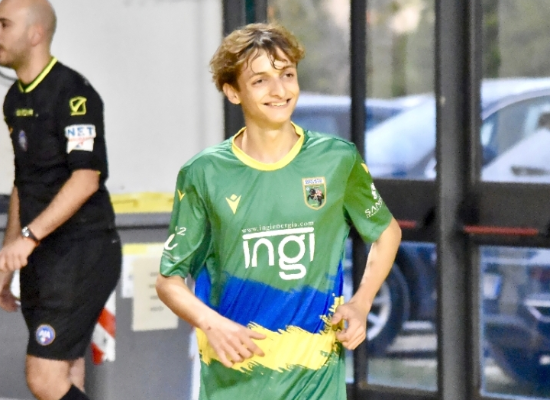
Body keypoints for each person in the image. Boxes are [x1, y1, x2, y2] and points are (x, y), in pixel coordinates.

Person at [156, 23, 402, 400]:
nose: (279, 90)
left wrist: (362, 302)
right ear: (232, 91)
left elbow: (386, 232)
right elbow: (168, 280)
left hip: (315, 384)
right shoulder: (203, 173)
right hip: (233, 385)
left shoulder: (337, 159)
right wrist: (211, 323)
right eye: (260, 80)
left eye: (287, 74)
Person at [0, 1, 121, 399]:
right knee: (67, 373)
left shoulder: (73, 94)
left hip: (82, 253)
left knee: (44, 378)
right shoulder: (14, 99)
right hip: (43, 257)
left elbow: (86, 179)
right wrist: (8, 258)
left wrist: (29, 237)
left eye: (4, 24)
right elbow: (24, 182)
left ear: (35, 33)